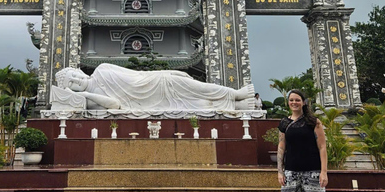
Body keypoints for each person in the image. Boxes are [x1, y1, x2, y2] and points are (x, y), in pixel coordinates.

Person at [54, 64, 256, 111]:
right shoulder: (91, 100)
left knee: (194, 86)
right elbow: (115, 105)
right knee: (188, 105)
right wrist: (87, 93)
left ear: (78, 71)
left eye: (73, 76)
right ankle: (236, 107)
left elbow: (134, 74)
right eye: (71, 84)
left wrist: (165, 73)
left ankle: (233, 94)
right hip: (143, 102)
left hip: (153, 82)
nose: (75, 81)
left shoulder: (101, 69)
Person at [277, 89, 328, 192]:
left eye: (297, 100)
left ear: (303, 102)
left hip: (313, 172)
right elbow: (281, 147)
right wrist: (280, 172)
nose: (294, 103)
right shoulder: (284, 123)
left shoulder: (313, 122)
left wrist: (324, 172)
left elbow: (322, 147)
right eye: (291, 100)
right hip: (291, 171)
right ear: (288, 102)